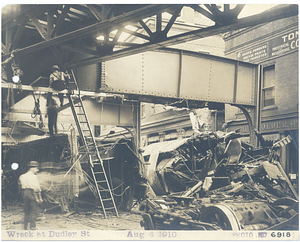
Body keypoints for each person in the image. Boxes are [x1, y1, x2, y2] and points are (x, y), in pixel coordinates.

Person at [19, 161, 43, 230]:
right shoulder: (34, 177)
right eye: (37, 168)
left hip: (24, 193)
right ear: (33, 168)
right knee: (33, 211)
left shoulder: (22, 176)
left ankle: (25, 227)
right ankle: (33, 226)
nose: (37, 170)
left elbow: (20, 186)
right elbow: (37, 188)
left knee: (26, 211)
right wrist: (39, 198)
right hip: (31, 193)